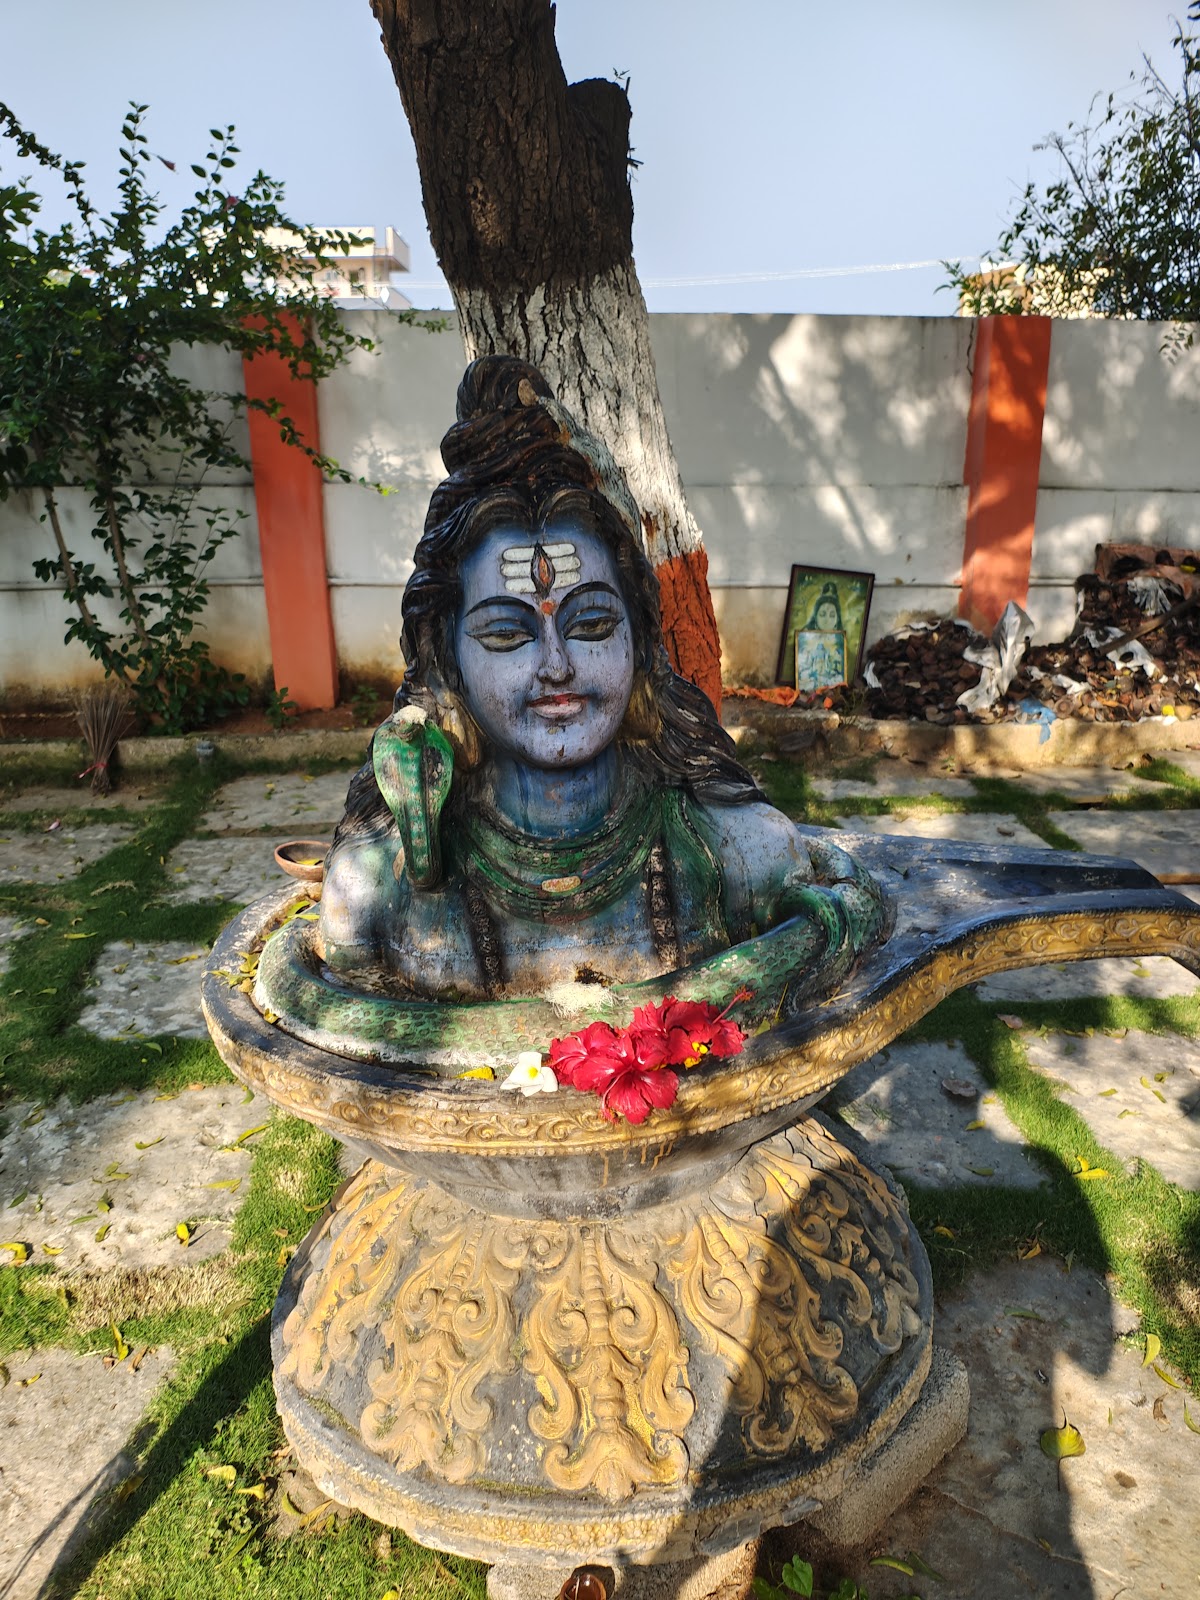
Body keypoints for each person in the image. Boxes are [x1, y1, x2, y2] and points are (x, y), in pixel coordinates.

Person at [319, 356, 883, 1001]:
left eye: (590, 626)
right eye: (506, 635)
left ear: (642, 645)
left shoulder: (738, 854)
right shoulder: (379, 891)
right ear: (446, 663)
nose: (556, 666)